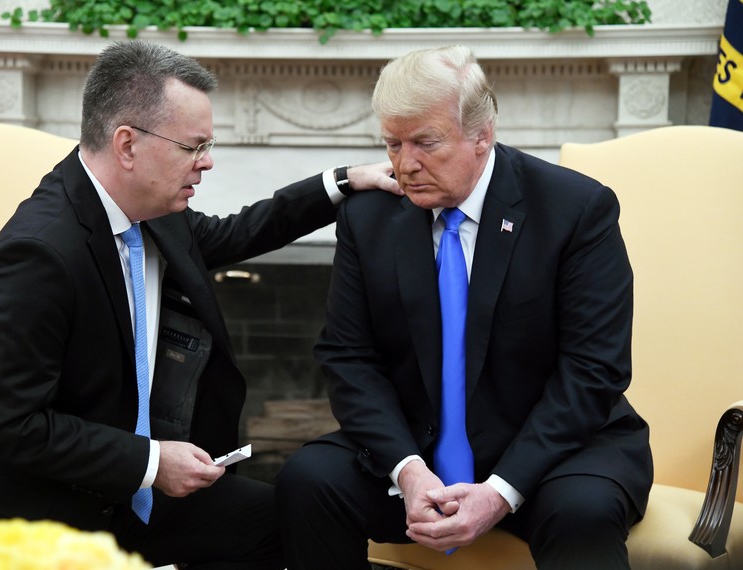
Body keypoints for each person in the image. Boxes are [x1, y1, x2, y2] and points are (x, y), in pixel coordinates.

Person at [0, 40, 398, 569]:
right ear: (127, 145)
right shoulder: (38, 253)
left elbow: (237, 232)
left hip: (127, 496)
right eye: (193, 147)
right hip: (31, 516)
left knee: (298, 515)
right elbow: (7, 427)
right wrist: (151, 461)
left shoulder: (153, 208)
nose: (208, 162)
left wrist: (343, 182)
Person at [275, 45, 653, 570]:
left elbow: (594, 370)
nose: (405, 165)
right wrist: (407, 471)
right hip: (417, 451)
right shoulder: (369, 217)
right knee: (309, 480)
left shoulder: (575, 209)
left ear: (482, 134)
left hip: (549, 455)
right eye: (392, 144)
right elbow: (347, 357)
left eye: (426, 143)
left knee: (582, 513)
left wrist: (500, 490)